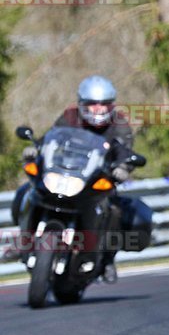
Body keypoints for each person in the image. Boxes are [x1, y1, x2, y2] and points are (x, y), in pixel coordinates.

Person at [13, 75, 135, 282]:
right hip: (66, 174)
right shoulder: (69, 117)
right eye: (92, 104)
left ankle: (106, 259)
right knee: (26, 192)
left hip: (96, 181)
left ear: (111, 105)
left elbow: (125, 152)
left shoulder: (119, 124)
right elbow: (51, 139)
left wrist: (123, 168)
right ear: (81, 104)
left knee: (114, 210)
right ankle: (26, 237)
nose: (98, 109)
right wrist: (35, 150)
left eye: (104, 105)